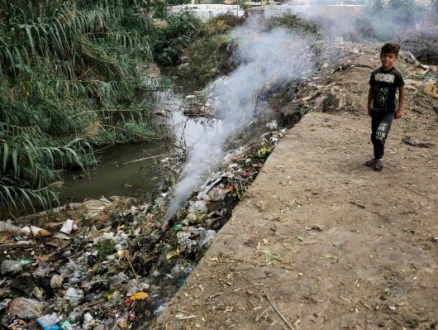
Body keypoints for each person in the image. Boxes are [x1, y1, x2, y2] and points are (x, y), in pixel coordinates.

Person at [366, 42, 405, 171]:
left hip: (389, 111)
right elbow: (371, 91)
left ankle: (379, 158)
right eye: (384, 56)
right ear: (380, 56)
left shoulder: (397, 75)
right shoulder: (375, 73)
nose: (386, 59)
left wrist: (399, 109)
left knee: (380, 134)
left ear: (395, 58)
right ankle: (376, 156)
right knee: (374, 135)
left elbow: (402, 91)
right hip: (376, 109)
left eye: (390, 56)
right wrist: (369, 106)